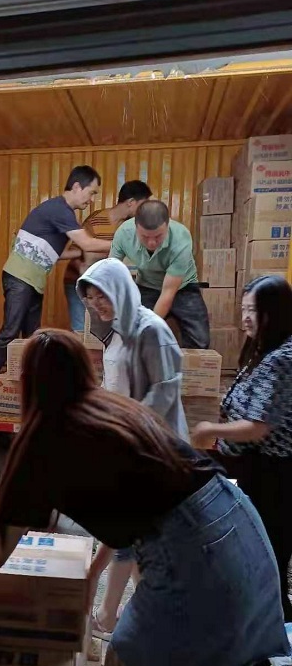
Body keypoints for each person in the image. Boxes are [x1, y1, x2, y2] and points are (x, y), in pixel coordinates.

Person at [0, 329, 288, 666]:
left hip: (192, 548)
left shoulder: (45, 440)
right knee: (221, 660)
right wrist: (91, 575)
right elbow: (131, 505)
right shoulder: (117, 411)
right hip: (237, 520)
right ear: (85, 371)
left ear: (28, 384)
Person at [191, 275, 292, 666]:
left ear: (274, 314)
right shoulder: (265, 351)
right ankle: (262, 653)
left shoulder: (281, 359)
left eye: (254, 310)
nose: (245, 318)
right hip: (258, 471)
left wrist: (209, 430)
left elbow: (258, 426)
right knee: (260, 560)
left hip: (276, 476)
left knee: (267, 564)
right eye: (244, 309)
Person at [77, 257, 188, 640]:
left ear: (121, 290)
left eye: (103, 296)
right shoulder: (118, 331)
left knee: (130, 530)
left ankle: (112, 616)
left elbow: (165, 391)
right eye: (91, 298)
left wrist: (129, 428)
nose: (97, 305)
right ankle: (139, 613)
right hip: (127, 443)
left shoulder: (151, 330)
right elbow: (116, 383)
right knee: (134, 532)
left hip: (151, 448)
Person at [0, 165, 102, 403]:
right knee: (11, 330)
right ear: (77, 186)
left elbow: (55, 253)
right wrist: (120, 246)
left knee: (31, 336)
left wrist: (79, 254)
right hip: (20, 277)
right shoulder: (60, 209)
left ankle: (29, 383)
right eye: (92, 192)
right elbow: (87, 243)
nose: (92, 199)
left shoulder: (61, 213)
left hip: (33, 280)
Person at [110, 200, 210, 349]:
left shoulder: (181, 238)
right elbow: (111, 270)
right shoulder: (124, 233)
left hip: (183, 287)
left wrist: (148, 327)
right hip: (147, 285)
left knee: (200, 341)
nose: (151, 243)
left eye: (158, 236)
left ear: (167, 225)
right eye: (145, 237)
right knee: (133, 338)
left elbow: (168, 293)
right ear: (135, 227)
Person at [63, 180, 152, 332]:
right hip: (78, 282)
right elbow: (77, 253)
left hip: (104, 287)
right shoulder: (96, 221)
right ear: (131, 202)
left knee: (103, 331)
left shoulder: (130, 226)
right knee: (81, 329)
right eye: (142, 205)